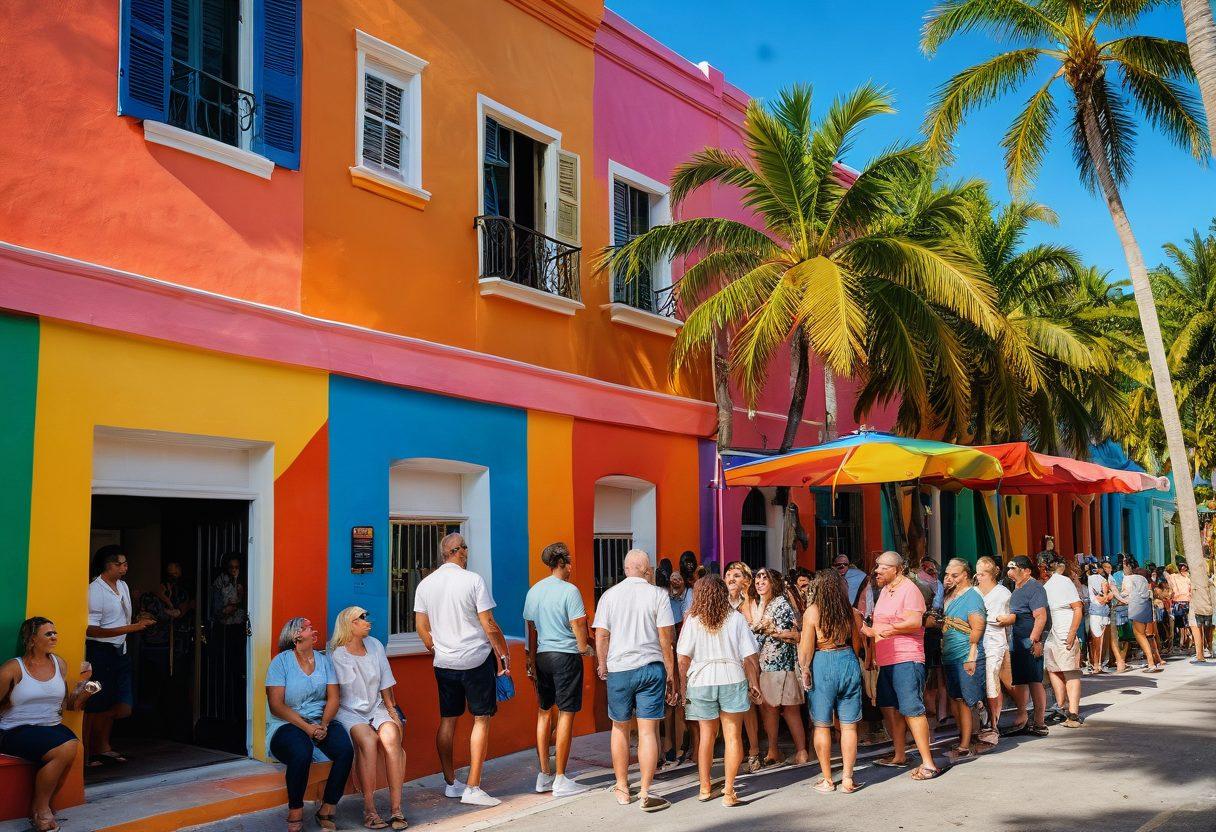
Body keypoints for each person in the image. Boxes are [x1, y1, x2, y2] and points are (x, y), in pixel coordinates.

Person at [414, 533, 510, 808]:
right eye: (466, 547)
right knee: (481, 719)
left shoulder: (426, 584)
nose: (467, 552)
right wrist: (503, 655)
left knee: (448, 719)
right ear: (460, 551)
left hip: (444, 662)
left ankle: (450, 783)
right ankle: (473, 786)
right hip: (476, 659)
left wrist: (437, 647)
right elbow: (489, 623)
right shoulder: (473, 580)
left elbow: (422, 626)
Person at [593, 549, 677, 812]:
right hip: (651, 668)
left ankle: (621, 786)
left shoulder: (609, 595)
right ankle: (644, 789)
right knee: (648, 731)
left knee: (619, 728)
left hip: (620, 668)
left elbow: (602, 635)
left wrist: (602, 663)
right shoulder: (658, 595)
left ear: (627, 568)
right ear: (647, 569)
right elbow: (666, 637)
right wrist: (671, 671)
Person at [0, 618, 96, 832]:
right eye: (48, 634)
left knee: (73, 747)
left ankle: (42, 805)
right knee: (67, 747)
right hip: (15, 729)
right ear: (33, 639)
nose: (54, 637)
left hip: (51, 725)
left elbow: (68, 706)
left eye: (55, 633)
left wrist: (84, 692)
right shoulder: (12, 668)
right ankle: (42, 808)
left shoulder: (59, 663)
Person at [676, 574, 761, 807]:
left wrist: (683, 688)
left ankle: (704, 787)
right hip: (732, 678)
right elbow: (749, 657)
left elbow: (683, 659)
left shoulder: (692, 620)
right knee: (733, 736)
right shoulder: (736, 619)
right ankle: (729, 791)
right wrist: (754, 682)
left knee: (706, 737)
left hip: (701, 680)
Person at [266, 617, 354, 832]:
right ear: (296, 636)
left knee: (345, 750)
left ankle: (327, 807)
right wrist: (307, 728)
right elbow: (276, 705)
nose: (314, 631)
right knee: (301, 751)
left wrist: (323, 725)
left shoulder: (324, 660)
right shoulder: (280, 662)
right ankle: (295, 811)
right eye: (308, 628)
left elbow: (334, 697)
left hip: (320, 721)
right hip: (287, 723)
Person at [862, 551, 941, 781]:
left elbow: (915, 622)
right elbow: (879, 624)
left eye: (882, 567)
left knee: (912, 709)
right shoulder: (885, 590)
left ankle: (928, 763)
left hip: (907, 658)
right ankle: (899, 755)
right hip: (887, 659)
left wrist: (891, 630)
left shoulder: (910, 589)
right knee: (890, 708)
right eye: (877, 567)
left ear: (896, 569)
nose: (877, 571)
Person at [522, 542, 592, 798]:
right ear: (561, 562)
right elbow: (578, 625)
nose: (572, 567)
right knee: (565, 715)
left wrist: (529, 658)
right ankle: (561, 778)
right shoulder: (570, 591)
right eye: (570, 561)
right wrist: (585, 649)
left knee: (543, 712)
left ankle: (544, 774)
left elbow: (530, 628)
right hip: (565, 656)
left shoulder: (534, 590)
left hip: (542, 656)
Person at [329, 607, 405, 830]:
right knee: (369, 742)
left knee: (391, 738)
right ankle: (370, 810)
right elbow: (336, 694)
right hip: (349, 710)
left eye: (366, 616)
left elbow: (386, 682)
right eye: (361, 618)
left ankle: (396, 809)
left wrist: (393, 712)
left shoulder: (375, 645)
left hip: (376, 707)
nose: (367, 621)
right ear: (349, 625)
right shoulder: (338, 654)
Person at [84, 545, 153, 768]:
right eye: (120, 564)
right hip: (101, 652)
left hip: (120, 650)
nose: (125, 567)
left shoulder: (122, 585)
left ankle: (102, 746)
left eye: (125, 563)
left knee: (121, 704)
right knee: (96, 703)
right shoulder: (95, 590)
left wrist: (136, 621)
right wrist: (131, 629)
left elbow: (122, 619)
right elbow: (91, 630)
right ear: (107, 566)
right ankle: (92, 751)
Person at [799, 570, 864, 793]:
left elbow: (806, 649)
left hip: (823, 662)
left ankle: (827, 779)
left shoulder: (812, 612)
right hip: (847, 660)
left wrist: (805, 670)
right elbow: (858, 646)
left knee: (822, 724)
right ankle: (847, 778)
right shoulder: (852, 612)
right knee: (848, 726)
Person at [749, 568, 808, 766]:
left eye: (764, 578)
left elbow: (791, 634)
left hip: (781, 664)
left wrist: (771, 631)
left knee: (789, 709)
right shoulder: (762, 605)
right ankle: (774, 750)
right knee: (770, 709)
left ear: (774, 582)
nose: (759, 582)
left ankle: (801, 751)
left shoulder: (780, 604)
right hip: (767, 664)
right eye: (757, 578)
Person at [940, 559, 986, 761]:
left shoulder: (972, 596)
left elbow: (977, 627)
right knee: (956, 699)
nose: (949, 578)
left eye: (954, 575)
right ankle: (963, 739)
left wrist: (971, 656)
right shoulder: (949, 596)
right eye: (947, 574)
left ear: (965, 575)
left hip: (965, 654)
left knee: (966, 701)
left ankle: (966, 744)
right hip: (950, 654)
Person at [1001, 556, 1049, 737]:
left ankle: (1039, 722)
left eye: (1013, 569)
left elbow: (1041, 616)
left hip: (1028, 641)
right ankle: (1022, 719)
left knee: (1034, 680)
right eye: (1009, 569)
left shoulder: (1034, 587)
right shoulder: (1017, 587)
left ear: (1026, 570)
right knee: (1020, 680)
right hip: (1017, 641)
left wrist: (1035, 641)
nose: (1009, 573)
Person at [723, 560, 762, 771]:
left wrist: (746, 599)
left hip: (747, 660)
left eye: (736, 575)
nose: (731, 578)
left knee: (747, 708)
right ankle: (733, 751)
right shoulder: (720, 601)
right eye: (728, 574)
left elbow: (753, 626)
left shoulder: (752, 602)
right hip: (727, 660)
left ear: (746, 580)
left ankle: (754, 751)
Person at [1041, 554, 1085, 728]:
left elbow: (1078, 608)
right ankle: (1061, 708)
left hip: (1065, 632)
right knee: (1053, 669)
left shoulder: (1064, 582)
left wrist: (1072, 633)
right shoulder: (1047, 585)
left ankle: (1073, 714)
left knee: (1070, 672)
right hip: (1053, 634)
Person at [975, 557, 1012, 747]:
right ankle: (983, 720)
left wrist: (1006, 620)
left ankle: (994, 722)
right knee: (980, 681)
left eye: (981, 574)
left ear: (990, 574)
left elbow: (1013, 616)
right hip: (975, 641)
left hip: (994, 640)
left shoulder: (1003, 593)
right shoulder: (973, 592)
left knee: (991, 679)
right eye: (977, 573)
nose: (978, 577)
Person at [663, 569, 693, 765]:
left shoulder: (689, 596)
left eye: (679, 579)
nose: (675, 582)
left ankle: (683, 745)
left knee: (681, 698)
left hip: (682, 648)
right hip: (668, 649)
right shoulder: (665, 597)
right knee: (669, 699)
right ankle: (668, 746)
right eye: (672, 579)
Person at [1121, 556, 1164, 672]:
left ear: (1128, 566)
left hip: (1137, 605)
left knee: (1139, 634)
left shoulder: (1128, 578)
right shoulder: (1143, 576)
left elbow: (1126, 593)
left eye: (1124, 565)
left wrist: (1116, 593)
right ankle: (1153, 661)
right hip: (1146, 604)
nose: (1123, 568)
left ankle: (1150, 662)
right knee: (1145, 634)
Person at [1086, 561, 1113, 676]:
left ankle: (1096, 665)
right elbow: (1108, 597)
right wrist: (1105, 597)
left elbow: (1102, 597)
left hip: (1096, 612)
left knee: (1096, 639)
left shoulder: (1090, 579)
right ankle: (1099, 664)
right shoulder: (1104, 580)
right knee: (1101, 639)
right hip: (1103, 611)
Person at [1167, 563, 1192, 654]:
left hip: (1177, 603)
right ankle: (1186, 641)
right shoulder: (1188, 578)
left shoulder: (1173, 577)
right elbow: (1191, 591)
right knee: (1186, 624)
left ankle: (1182, 642)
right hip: (1186, 603)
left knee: (1181, 625)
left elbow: (1171, 591)